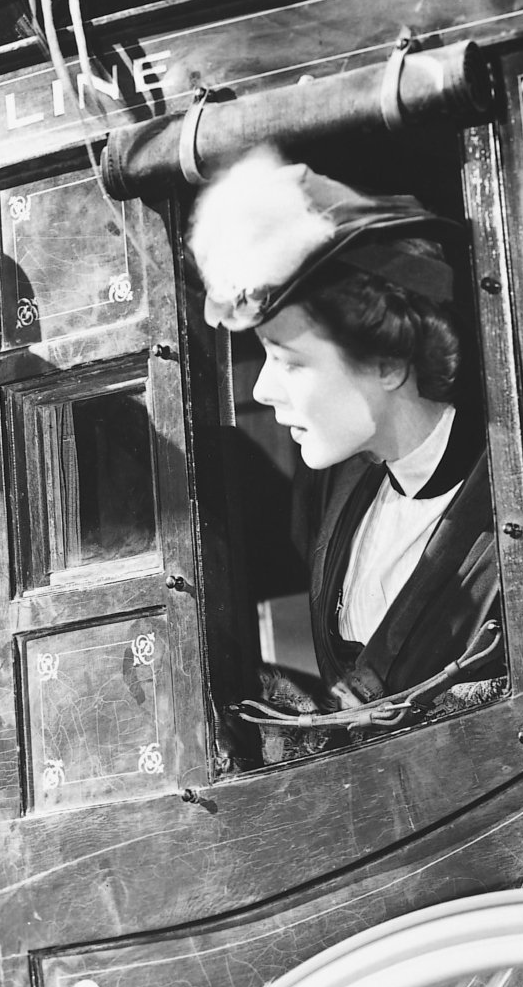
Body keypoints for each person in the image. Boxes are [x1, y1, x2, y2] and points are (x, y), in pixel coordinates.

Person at [188, 147, 501, 712]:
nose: (261, 390)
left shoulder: (509, 507)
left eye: (290, 361)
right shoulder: (331, 490)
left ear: (388, 361)